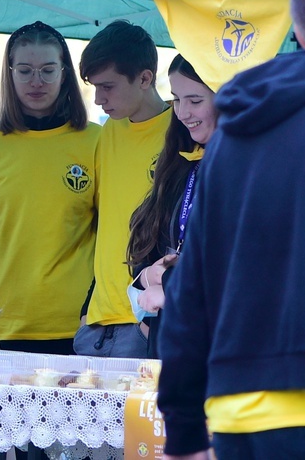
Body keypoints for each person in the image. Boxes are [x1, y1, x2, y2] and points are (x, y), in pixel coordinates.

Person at [157, 0, 305, 458]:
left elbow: (190, 287)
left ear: (297, 23)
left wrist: (182, 428)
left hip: (237, 417)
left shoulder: (232, 137)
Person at [0, 20, 100, 356]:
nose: (36, 82)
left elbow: (113, 234)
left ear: (65, 73)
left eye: (48, 70)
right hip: (3, 320)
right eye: (24, 71)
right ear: (9, 74)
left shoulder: (96, 140)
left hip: (78, 322)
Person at [73, 20, 172, 359]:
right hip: (96, 323)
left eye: (108, 87)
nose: (99, 99)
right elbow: (106, 224)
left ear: (145, 78)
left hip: (147, 318)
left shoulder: (184, 134)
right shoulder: (106, 135)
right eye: (94, 87)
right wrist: (89, 305)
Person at [125, 54, 216, 358]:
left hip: (215, 347)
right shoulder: (179, 162)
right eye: (176, 99)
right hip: (168, 345)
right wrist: (149, 275)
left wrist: (168, 284)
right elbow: (150, 239)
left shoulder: (249, 171)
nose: (182, 113)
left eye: (194, 100)